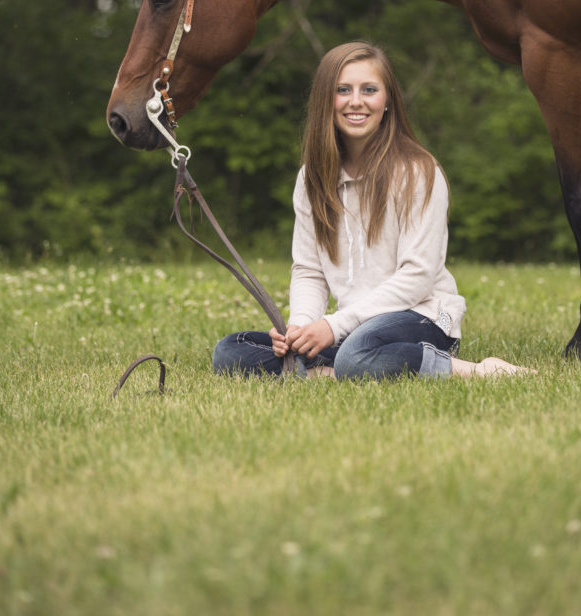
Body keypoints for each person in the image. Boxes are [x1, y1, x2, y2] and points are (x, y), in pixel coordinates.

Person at [212, 41, 530, 381]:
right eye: (343, 90)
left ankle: (481, 371)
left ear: (387, 100)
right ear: (325, 101)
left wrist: (333, 326)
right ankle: (333, 370)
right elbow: (309, 270)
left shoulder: (418, 171)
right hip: (352, 328)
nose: (356, 101)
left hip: (420, 314)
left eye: (369, 90)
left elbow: (418, 277)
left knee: (357, 354)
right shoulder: (312, 178)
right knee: (232, 351)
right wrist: (301, 329)